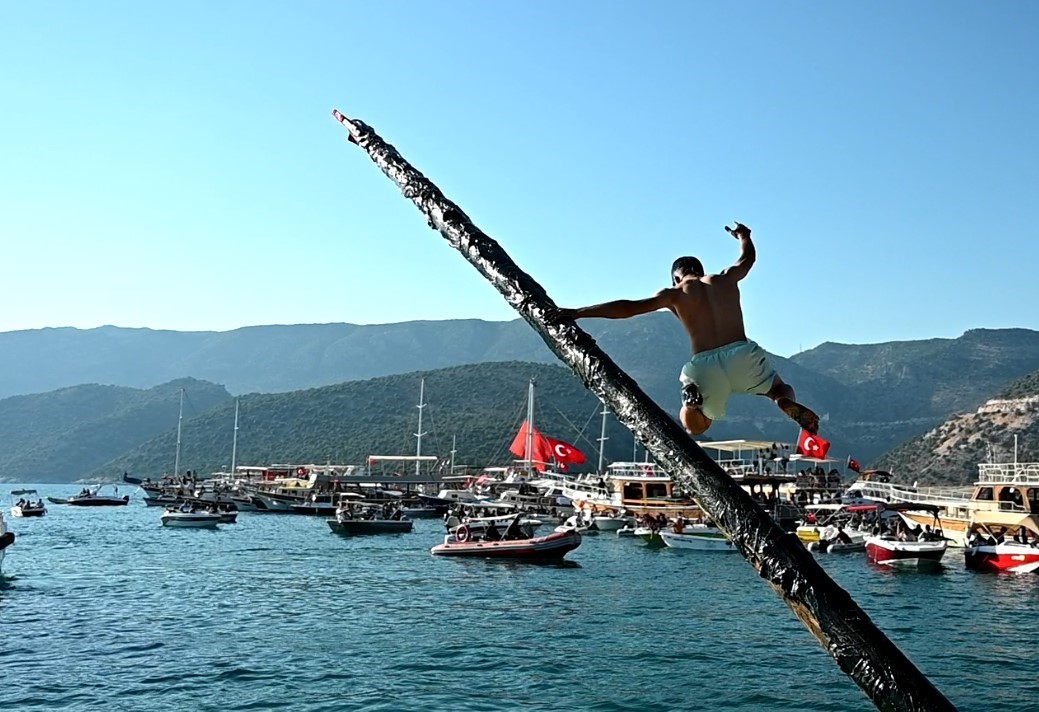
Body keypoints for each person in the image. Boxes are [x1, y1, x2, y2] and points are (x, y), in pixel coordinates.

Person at [555, 222, 819, 436]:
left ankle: (691, 404)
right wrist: (744, 236)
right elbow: (747, 259)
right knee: (779, 389)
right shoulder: (724, 279)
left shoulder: (675, 293)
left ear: (676, 277)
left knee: (696, 427)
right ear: (700, 270)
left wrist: (579, 312)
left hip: (703, 365)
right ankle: (783, 403)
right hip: (741, 355)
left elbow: (628, 308)